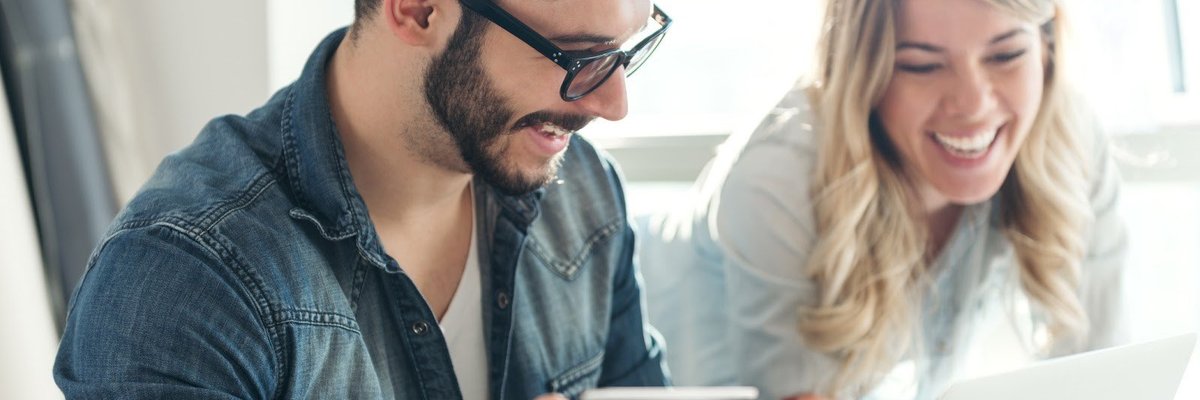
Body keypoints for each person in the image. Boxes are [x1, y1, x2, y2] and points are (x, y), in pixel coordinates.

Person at [53, 0, 673, 398]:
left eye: (626, 51)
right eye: (581, 57)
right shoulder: (186, 279)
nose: (614, 105)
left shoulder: (583, 192)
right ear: (420, 10)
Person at [641, 0, 1127, 398]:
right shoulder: (778, 175)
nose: (973, 104)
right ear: (862, 72)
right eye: (922, 64)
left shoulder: (1068, 139)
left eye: (1005, 56)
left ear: (1047, 48)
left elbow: (1108, 372)